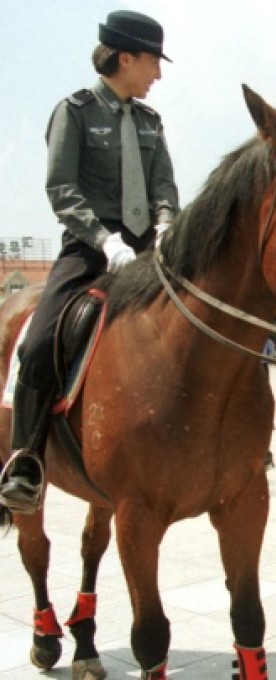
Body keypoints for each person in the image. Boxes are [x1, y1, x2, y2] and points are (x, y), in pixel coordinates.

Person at [0, 10, 178, 514]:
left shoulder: (150, 122)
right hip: (89, 249)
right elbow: (62, 189)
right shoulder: (74, 113)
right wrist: (106, 241)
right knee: (36, 346)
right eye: (152, 62)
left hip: (148, 251)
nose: (158, 75)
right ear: (125, 57)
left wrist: (165, 225)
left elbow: (164, 185)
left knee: (201, 317)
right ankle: (27, 460)